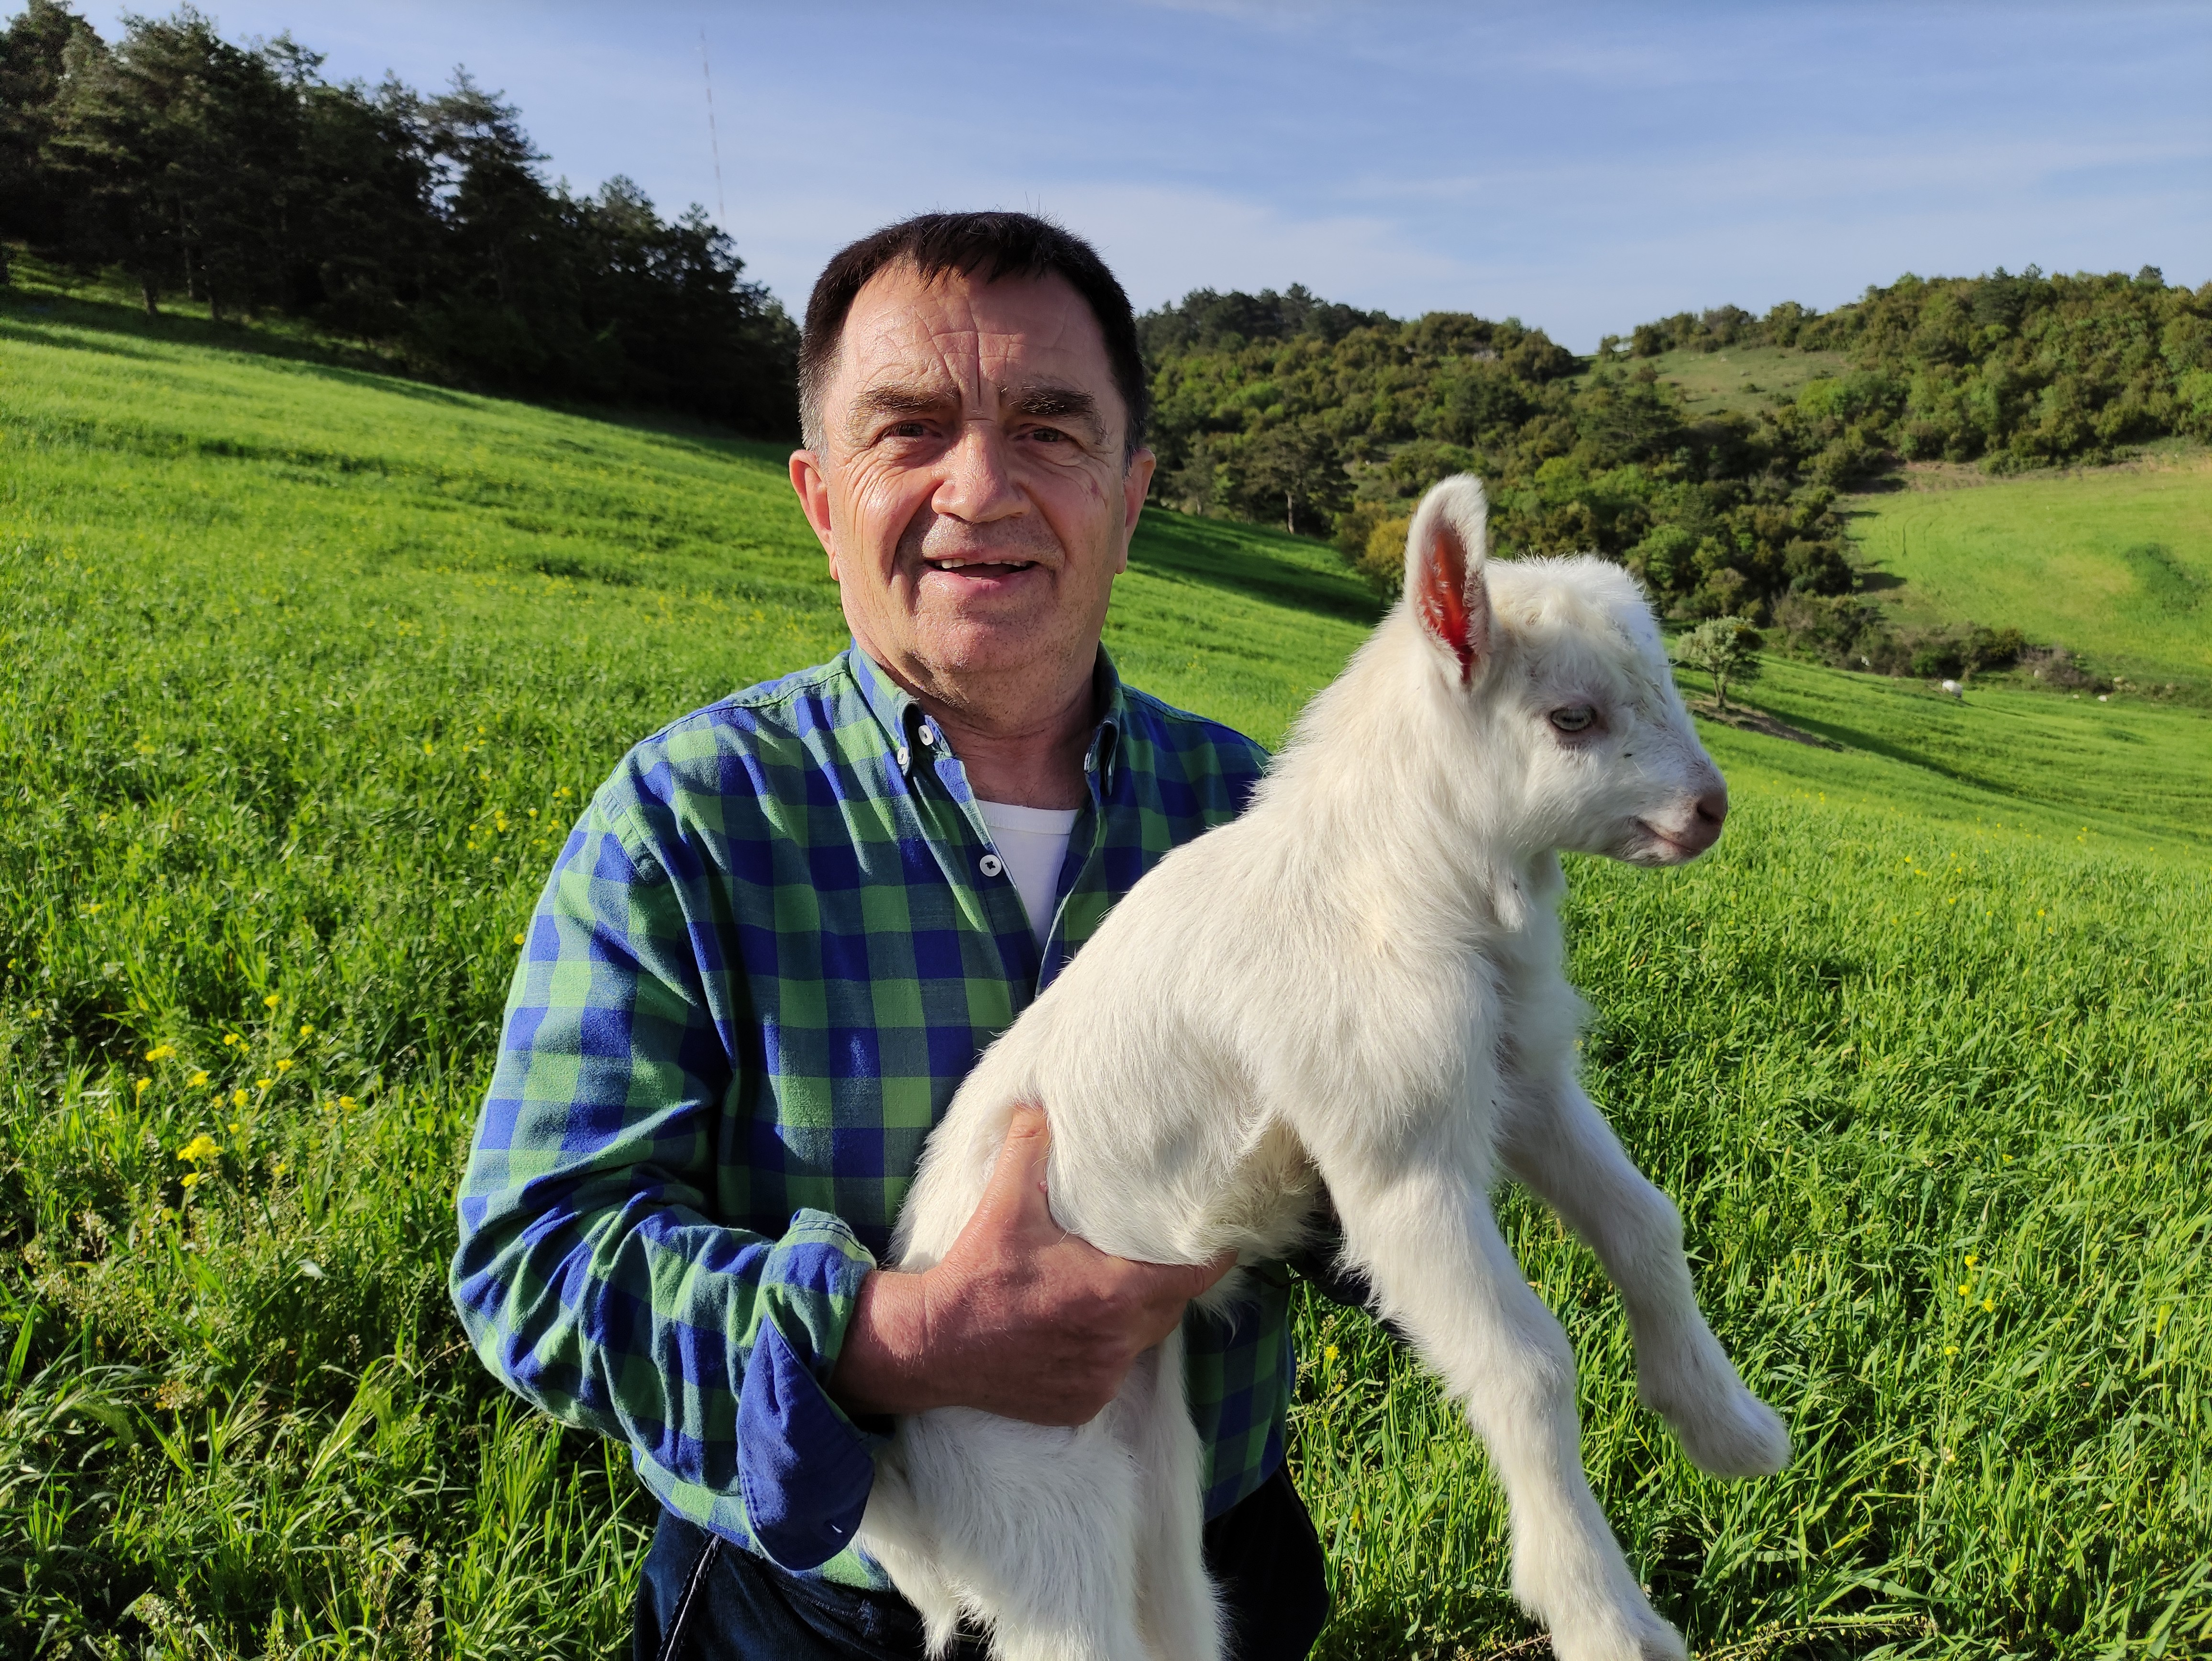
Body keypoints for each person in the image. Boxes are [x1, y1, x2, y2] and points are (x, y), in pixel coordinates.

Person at [449, 211, 1331, 1661]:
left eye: (1051, 429)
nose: (979, 487)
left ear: (1131, 492)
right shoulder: (687, 820)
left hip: (1204, 1577)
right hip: (823, 1608)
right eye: (909, 428)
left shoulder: (1253, 811)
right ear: (818, 494)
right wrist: (902, 1338)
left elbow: (1388, 1170)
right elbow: (537, 1261)